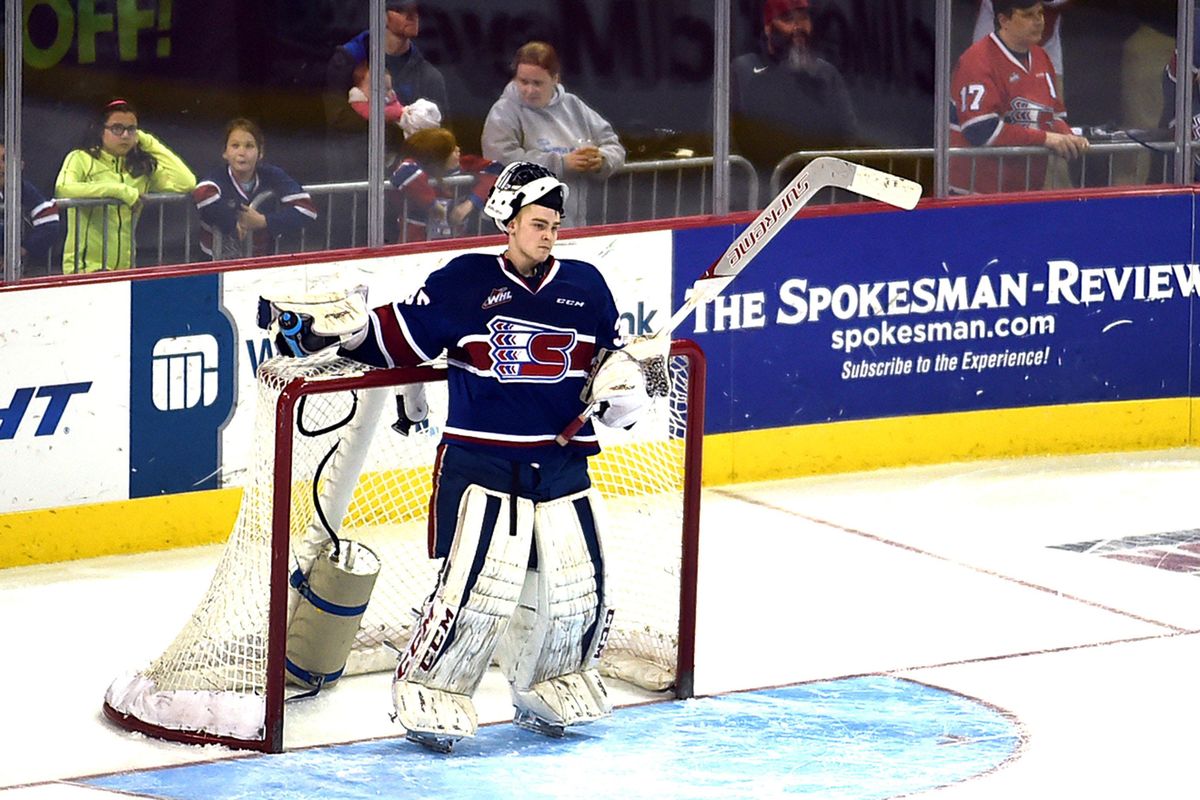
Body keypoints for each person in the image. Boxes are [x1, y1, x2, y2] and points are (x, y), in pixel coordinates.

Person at [264, 161, 651, 752]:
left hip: (565, 463)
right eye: (537, 222)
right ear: (507, 220)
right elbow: (395, 340)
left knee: (578, 590)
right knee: (476, 592)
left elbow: (611, 382)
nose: (549, 234)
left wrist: (625, 396)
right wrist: (335, 330)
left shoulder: (587, 287)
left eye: (555, 224)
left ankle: (551, 680)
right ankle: (433, 686)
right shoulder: (465, 282)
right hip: (482, 464)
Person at [949, 0, 1088, 194]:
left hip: (1023, 193)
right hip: (974, 196)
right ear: (1004, 20)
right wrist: (1046, 138)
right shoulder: (977, 60)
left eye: (1040, 13)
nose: (1039, 21)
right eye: (1028, 15)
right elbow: (980, 130)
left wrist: (1068, 136)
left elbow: (1053, 117)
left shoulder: (1041, 57)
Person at [481, 41, 626, 227]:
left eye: (537, 83)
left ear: (555, 78)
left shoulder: (574, 106)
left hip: (574, 223)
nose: (529, 90)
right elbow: (501, 162)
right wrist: (561, 164)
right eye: (523, 81)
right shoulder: (503, 112)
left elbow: (613, 145)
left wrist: (602, 160)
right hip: (520, 227)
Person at [54, 99, 196, 273]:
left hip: (125, 269)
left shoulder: (141, 166)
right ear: (100, 130)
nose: (125, 135)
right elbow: (63, 188)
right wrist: (118, 191)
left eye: (131, 129)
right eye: (117, 128)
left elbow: (186, 183)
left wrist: (148, 141)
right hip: (84, 269)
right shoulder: (80, 158)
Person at [730, 0, 859, 188]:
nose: (799, 27)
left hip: (817, 194)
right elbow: (724, 141)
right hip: (758, 195)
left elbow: (847, 136)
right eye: (787, 19)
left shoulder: (826, 74)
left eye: (804, 18)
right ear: (768, 27)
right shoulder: (742, 71)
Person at [324, 0, 449, 181]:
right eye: (401, 10)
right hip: (353, 177)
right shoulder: (347, 62)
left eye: (416, 10)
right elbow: (337, 119)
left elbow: (443, 137)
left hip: (408, 187)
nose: (412, 16)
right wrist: (397, 119)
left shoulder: (429, 77)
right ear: (382, 15)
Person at [192, 118, 318, 260]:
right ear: (225, 152)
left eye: (249, 146)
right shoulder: (218, 178)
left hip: (261, 262)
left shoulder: (272, 174)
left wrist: (263, 221)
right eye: (235, 146)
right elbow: (202, 193)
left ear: (260, 152)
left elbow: (308, 211)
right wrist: (233, 223)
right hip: (214, 264)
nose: (242, 152)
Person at [387, 126, 501, 241]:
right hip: (416, 248)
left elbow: (496, 170)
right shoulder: (416, 170)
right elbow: (404, 171)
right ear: (437, 156)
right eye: (450, 149)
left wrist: (470, 203)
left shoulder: (465, 164)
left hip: (456, 244)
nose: (458, 149)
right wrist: (433, 205)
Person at [0, 137, 63, 274]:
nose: (0, 165)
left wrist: (23, 249)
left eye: (5, 159)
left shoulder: (23, 188)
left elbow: (50, 221)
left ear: (20, 165)